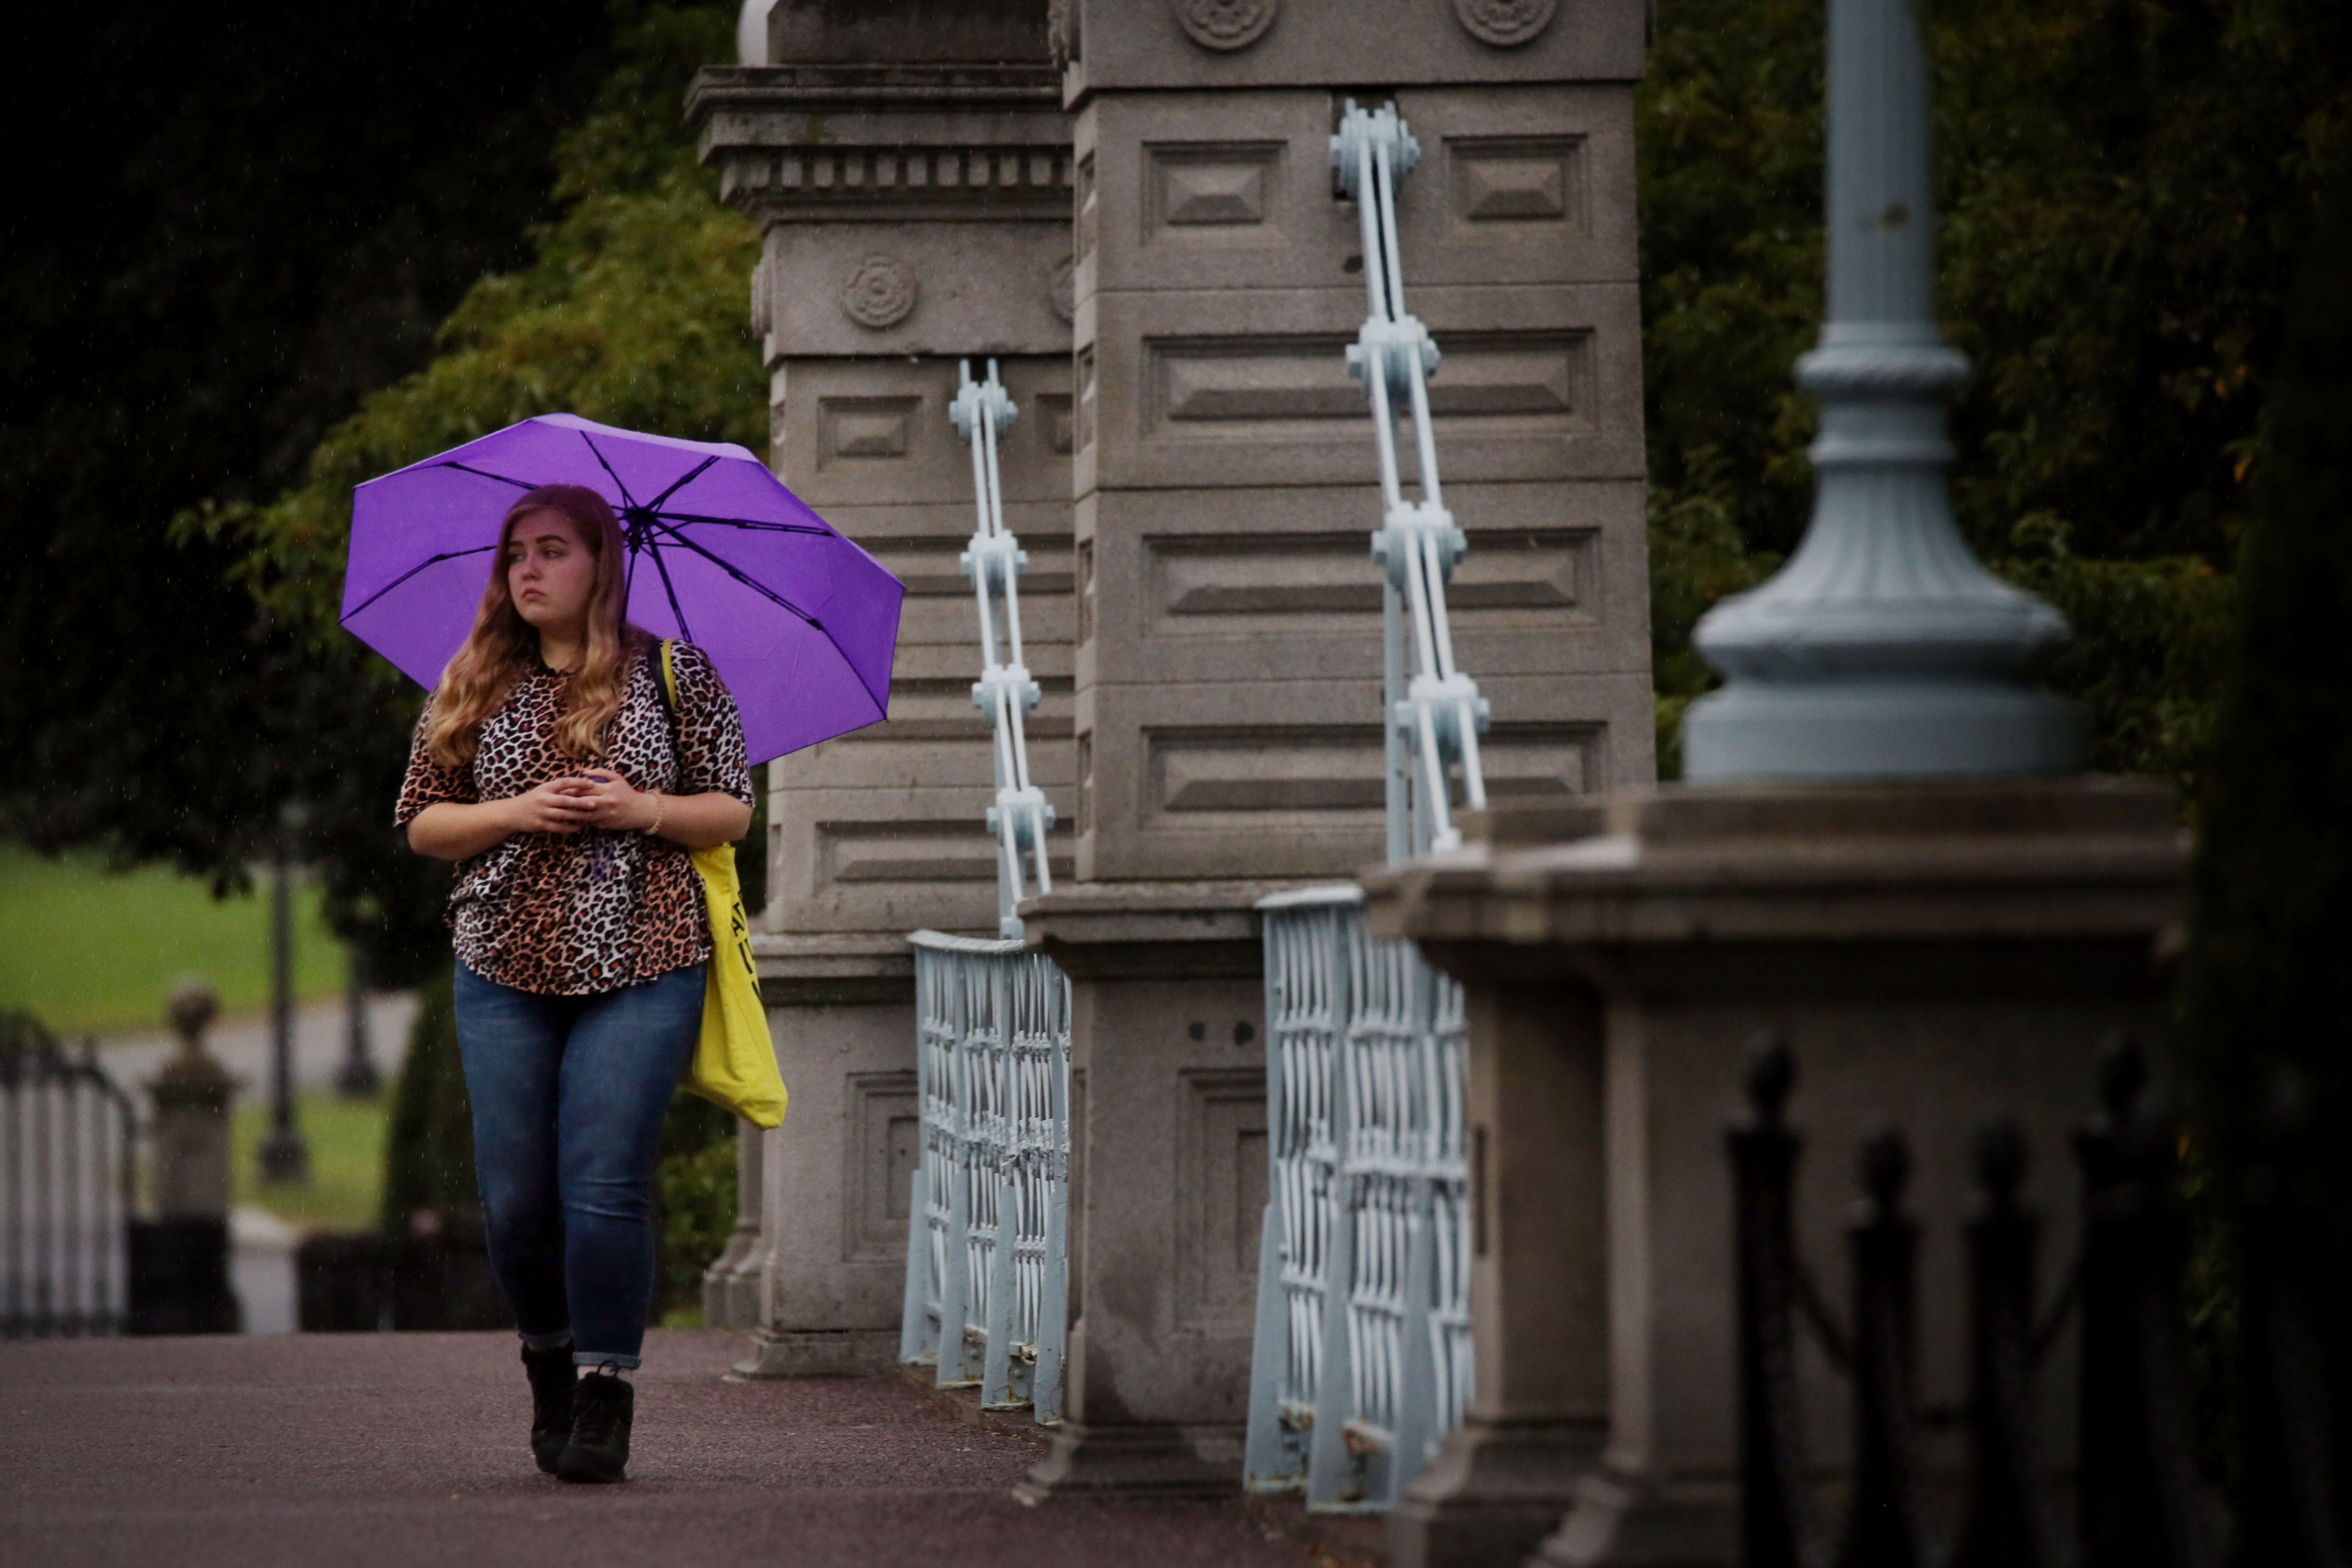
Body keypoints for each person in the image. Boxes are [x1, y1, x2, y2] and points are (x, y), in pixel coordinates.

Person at [396, 482, 754, 1484]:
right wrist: (516, 811)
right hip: (501, 962)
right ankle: (548, 1356)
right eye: (516, 552)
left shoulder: (677, 673)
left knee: (603, 1185)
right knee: (516, 1201)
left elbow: (730, 810)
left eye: (553, 549)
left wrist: (641, 806)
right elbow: (422, 821)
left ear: (601, 563)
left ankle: (605, 1387)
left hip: (645, 956)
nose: (528, 569)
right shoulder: (473, 678)